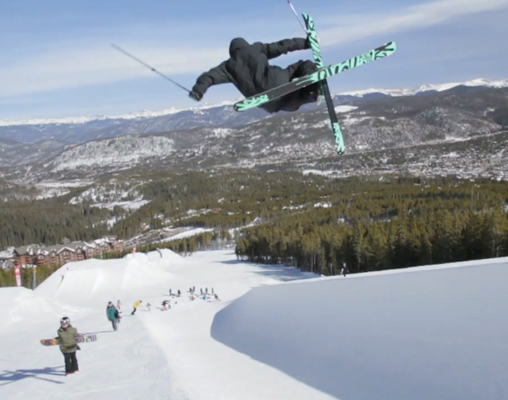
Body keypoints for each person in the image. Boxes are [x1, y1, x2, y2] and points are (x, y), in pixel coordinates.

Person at [188, 36, 320, 114]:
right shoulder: (256, 48)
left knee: (292, 104)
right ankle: (313, 88)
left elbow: (209, 77)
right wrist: (306, 43)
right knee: (303, 65)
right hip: (278, 83)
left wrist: (198, 91)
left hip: (270, 105)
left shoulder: (227, 67)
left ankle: (311, 92)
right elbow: (282, 46)